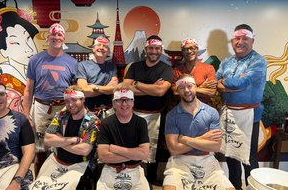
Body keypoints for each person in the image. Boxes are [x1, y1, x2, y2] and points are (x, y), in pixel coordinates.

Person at [23, 23, 78, 176]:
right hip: (41, 107)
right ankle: (40, 178)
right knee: (41, 147)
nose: (56, 37)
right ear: (48, 37)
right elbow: (28, 89)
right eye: (53, 34)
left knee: (63, 144)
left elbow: (75, 91)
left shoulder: (72, 63)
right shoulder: (35, 60)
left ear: (64, 38)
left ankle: (62, 178)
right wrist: (26, 114)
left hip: (64, 108)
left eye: (59, 34)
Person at [216, 24, 267, 189]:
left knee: (248, 157)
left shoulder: (258, 61)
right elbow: (216, 81)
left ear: (252, 40)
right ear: (232, 41)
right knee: (231, 155)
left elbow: (243, 82)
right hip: (229, 113)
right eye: (237, 38)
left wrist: (227, 82)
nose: (240, 42)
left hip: (249, 114)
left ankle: (254, 187)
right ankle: (235, 187)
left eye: (245, 38)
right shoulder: (226, 61)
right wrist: (229, 84)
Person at [163, 74, 234, 190]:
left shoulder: (212, 112)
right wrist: (204, 138)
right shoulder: (172, 116)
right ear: (178, 91)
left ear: (196, 87)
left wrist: (185, 139)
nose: (186, 91)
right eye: (182, 88)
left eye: (189, 86)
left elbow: (216, 146)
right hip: (180, 161)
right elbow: (174, 149)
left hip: (207, 159)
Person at [123, 35, 173, 184]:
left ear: (161, 50)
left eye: (157, 48)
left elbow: (160, 92)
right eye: (151, 48)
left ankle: (149, 182)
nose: (154, 51)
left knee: (152, 153)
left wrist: (137, 84)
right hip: (132, 114)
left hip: (155, 116)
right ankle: (131, 181)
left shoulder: (166, 69)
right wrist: (152, 88)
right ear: (146, 49)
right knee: (131, 148)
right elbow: (126, 87)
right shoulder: (134, 66)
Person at [29, 85, 100, 189]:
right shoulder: (61, 115)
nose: (70, 104)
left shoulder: (93, 121)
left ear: (83, 99)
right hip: (56, 161)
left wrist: (59, 141)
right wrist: (72, 140)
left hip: (80, 165)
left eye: (74, 100)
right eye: (66, 101)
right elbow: (48, 140)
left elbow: (84, 150)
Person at [0, 0, 39, 112]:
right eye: (16, 42)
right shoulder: (4, 85)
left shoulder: (35, 75)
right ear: (3, 51)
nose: (29, 49)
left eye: (28, 39)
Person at [97, 83, 150, 189]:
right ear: (114, 103)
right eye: (120, 100)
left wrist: (115, 149)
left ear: (133, 102)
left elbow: (144, 154)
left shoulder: (141, 123)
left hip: (135, 169)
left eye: (128, 99)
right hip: (111, 169)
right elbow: (102, 156)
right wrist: (134, 154)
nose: (124, 104)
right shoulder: (106, 123)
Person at [0, 78, 35, 189]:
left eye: (1, 94)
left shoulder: (20, 119)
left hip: (12, 169)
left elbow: (29, 151)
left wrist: (17, 181)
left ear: (6, 96)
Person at [77, 36, 118, 116]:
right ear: (93, 48)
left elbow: (113, 89)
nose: (101, 48)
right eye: (98, 45)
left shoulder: (112, 67)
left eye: (105, 46)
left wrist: (94, 87)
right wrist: (106, 89)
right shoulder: (82, 65)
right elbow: (84, 91)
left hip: (108, 110)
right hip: (88, 111)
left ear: (108, 51)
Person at [172, 37, 217, 105]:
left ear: (197, 49)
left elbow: (211, 93)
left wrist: (184, 90)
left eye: (192, 48)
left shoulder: (209, 68)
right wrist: (201, 87)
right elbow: (175, 94)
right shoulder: (177, 71)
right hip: (183, 110)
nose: (189, 51)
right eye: (185, 49)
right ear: (182, 52)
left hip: (204, 109)